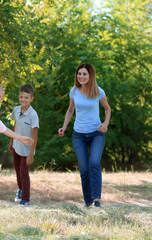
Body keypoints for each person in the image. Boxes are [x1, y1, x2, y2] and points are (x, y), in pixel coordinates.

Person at [58, 63, 111, 208]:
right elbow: (70, 111)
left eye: (84, 74)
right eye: (79, 74)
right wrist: (64, 127)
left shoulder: (98, 92)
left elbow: (107, 109)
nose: (81, 76)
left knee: (94, 163)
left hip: (96, 133)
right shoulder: (74, 91)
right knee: (84, 169)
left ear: (90, 76)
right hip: (79, 135)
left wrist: (105, 124)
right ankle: (88, 202)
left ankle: (97, 200)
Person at [8, 84, 39, 207]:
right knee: (17, 170)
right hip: (16, 145)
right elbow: (15, 126)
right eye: (21, 97)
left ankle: (25, 199)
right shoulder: (16, 110)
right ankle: (20, 190)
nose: (23, 100)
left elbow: (35, 136)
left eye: (26, 97)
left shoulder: (33, 115)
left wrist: (31, 154)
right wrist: (11, 141)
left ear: (31, 98)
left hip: (27, 150)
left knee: (23, 172)